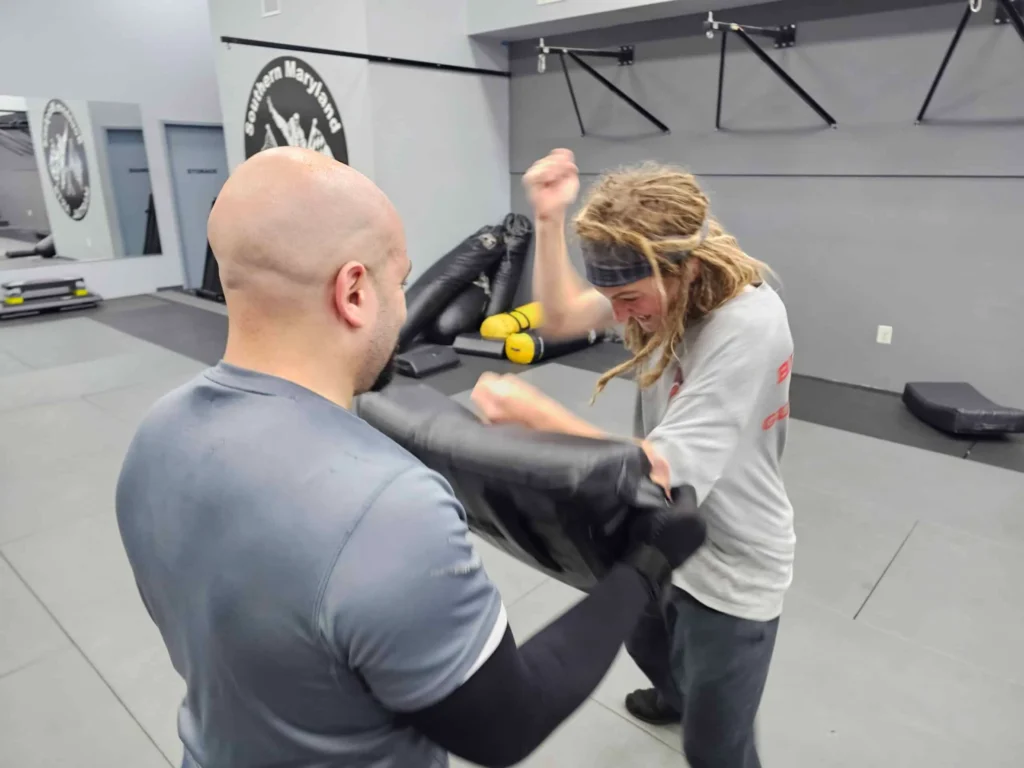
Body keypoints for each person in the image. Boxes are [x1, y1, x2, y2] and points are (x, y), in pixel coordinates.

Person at [114, 146, 708, 768]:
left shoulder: (156, 434)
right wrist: (642, 569)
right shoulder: (390, 507)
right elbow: (506, 723)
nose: (403, 305)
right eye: (399, 283)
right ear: (353, 292)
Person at [471, 148, 796, 768]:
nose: (620, 317)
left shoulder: (747, 326)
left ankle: (695, 710)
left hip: (732, 560)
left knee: (715, 749)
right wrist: (547, 217)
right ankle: (675, 692)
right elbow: (563, 315)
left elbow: (662, 467)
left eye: (628, 298)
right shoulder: (663, 290)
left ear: (685, 267)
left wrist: (539, 419)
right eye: (610, 297)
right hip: (658, 528)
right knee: (648, 639)